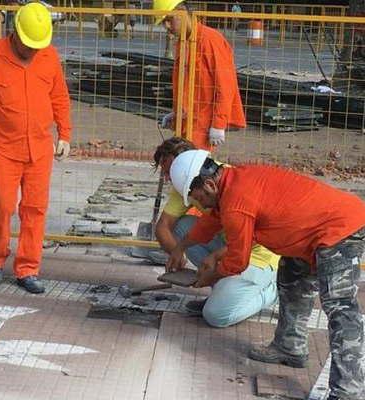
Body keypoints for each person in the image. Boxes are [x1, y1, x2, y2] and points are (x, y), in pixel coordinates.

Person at [168, 149, 365, 400]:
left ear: (208, 183)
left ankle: (349, 391)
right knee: (292, 279)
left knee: (340, 309)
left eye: (197, 198)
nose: (199, 205)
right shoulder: (231, 183)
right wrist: (181, 247)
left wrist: (208, 277)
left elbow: (238, 261)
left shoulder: (236, 199)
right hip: (308, 233)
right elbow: (211, 222)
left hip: (339, 230)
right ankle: (290, 346)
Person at [0, 2, 71, 294]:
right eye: (28, 45)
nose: (33, 51)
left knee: (35, 209)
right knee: (1, 206)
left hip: (39, 148)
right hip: (1, 148)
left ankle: (28, 268)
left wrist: (65, 134)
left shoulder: (49, 57)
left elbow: (60, 97)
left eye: (37, 46)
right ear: (15, 32)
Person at [152, 137, 278, 327]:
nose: (169, 178)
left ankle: (272, 291)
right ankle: (225, 290)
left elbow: (248, 240)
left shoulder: (233, 186)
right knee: (183, 226)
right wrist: (178, 251)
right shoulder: (190, 181)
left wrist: (214, 260)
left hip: (257, 254)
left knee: (216, 315)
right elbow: (165, 226)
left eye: (170, 171)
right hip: (233, 246)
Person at [153, 0, 245, 151]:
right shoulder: (183, 42)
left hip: (203, 122)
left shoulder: (210, 40)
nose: (167, 27)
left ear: (183, 12)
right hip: (188, 121)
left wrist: (218, 124)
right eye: (164, 22)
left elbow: (225, 86)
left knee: (191, 168)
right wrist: (176, 113)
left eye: (169, 20)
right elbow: (187, 85)